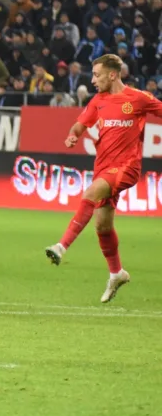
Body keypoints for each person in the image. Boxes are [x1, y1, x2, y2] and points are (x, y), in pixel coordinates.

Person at [45, 54, 162, 302]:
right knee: (103, 226)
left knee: (90, 193)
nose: (93, 80)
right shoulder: (98, 101)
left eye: (97, 75)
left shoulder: (138, 98)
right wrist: (73, 135)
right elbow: (79, 125)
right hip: (103, 169)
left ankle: (61, 246)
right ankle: (116, 273)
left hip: (127, 167)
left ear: (113, 74)